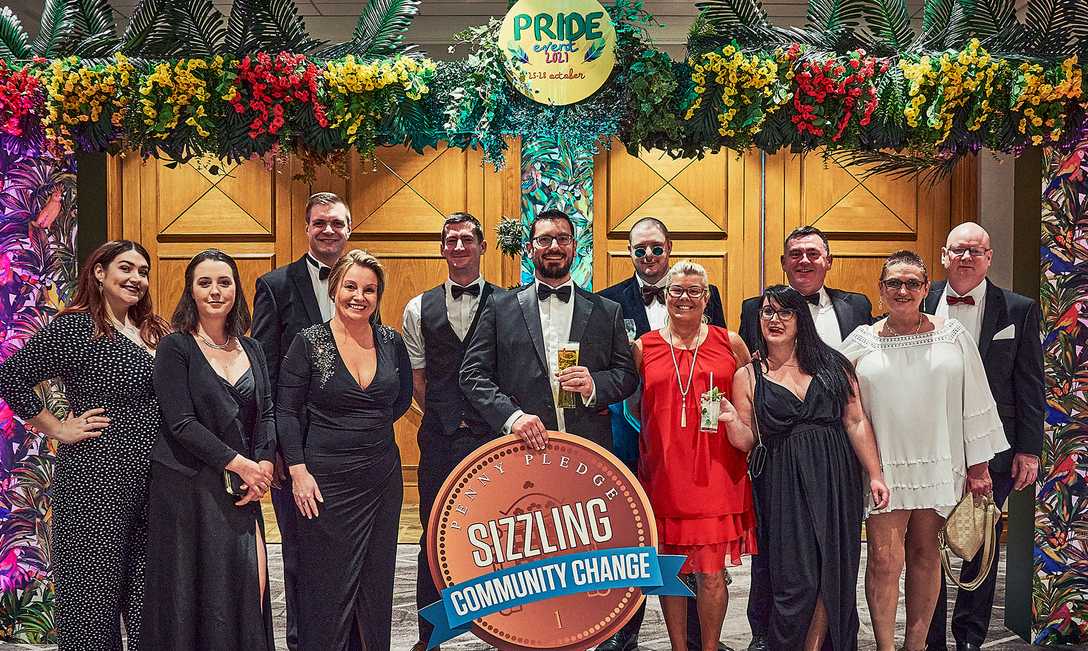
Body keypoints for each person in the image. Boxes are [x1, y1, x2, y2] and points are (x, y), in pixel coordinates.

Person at [0, 240, 170, 650]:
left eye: (143, 272)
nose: (137, 278)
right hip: (95, 481)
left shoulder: (152, 329)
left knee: (151, 605)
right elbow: (11, 376)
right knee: (91, 608)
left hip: (155, 483)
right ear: (99, 272)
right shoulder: (76, 326)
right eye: (126, 268)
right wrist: (57, 428)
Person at [839, 250, 1010, 651]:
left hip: (940, 462)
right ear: (881, 290)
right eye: (894, 283)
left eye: (913, 283)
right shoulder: (861, 341)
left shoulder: (953, 335)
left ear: (924, 288)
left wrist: (979, 466)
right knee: (884, 560)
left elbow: (976, 400)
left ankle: (915, 645)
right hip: (885, 469)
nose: (903, 290)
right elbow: (837, 400)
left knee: (925, 554)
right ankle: (885, 645)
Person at [726, 284, 889, 651]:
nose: (775, 319)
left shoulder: (834, 364)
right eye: (768, 312)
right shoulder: (747, 376)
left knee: (834, 567)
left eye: (785, 312)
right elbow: (748, 440)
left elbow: (855, 420)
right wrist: (728, 420)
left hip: (835, 476)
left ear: (801, 319)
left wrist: (875, 474)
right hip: (781, 481)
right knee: (795, 577)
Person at [597, 217, 726, 651]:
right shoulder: (609, 302)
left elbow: (722, 372)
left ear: (669, 248)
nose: (648, 257)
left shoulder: (712, 305)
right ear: (629, 253)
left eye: (655, 248)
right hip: (636, 446)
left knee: (701, 558)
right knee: (635, 544)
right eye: (639, 250)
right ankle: (624, 632)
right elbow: (618, 380)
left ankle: (698, 638)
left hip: (702, 453)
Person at [276, 249, 412, 651]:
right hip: (323, 482)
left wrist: (365, 428)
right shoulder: (309, 342)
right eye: (351, 286)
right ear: (334, 288)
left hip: (381, 481)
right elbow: (285, 411)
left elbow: (400, 399)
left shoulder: (391, 341)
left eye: (369, 289)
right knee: (326, 586)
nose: (359, 296)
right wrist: (298, 471)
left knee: (375, 584)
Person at [144, 249, 276, 650]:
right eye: (205, 283)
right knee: (193, 594)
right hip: (188, 488)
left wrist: (264, 466)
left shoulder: (252, 349)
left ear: (236, 289)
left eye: (224, 282)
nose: (216, 291)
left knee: (250, 583)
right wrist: (242, 465)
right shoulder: (176, 348)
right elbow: (181, 423)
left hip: (242, 489)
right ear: (191, 291)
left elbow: (267, 412)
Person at [924, 223, 1044, 651]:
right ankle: (929, 636)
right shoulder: (918, 297)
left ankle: (970, 638)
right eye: (959, 249)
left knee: (982, 545)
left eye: (976, 250)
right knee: (926, 545)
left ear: (989, 258)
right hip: (930, 445)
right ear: (943, 255)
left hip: (995, 448)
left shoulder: (1018, 309)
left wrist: (1029, 448)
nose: (967, 257)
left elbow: (1031, 382)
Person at [633, 260, 755, 651]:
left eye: (694, 291)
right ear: (665, 296)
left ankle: (709, 646)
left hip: (716, 475)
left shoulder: (730, 343)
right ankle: (678, 647)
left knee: (711, 574)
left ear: (707, 298)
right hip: (665, 474)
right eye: (676, 291)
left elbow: (749, 399)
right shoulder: (643, 347)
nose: (684, 298)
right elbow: (633, 407)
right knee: (670, 571)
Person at [251, 191, 351, 650]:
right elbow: (263, 370)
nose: (328, 230)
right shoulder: (276, 285)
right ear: (306, 228)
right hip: (297, 443)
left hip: (350, 445)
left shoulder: (362, 282)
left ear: (348, 230)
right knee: (297, 547)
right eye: (319, 223)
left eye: (336, 223)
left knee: (344, 546)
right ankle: (301, 640)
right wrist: (272, 444)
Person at [460, 208, 638, 452]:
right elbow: (472, 375)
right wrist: (513, 418)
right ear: (530, 249)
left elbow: (627, 376)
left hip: (589, 449)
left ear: (574, 247)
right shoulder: (499, 307)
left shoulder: (608, 311)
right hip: (521, 447)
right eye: (544, 239)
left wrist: (595, 384)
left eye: (563, 238)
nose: (554, 246)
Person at [403, 213, 498, 651]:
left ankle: (506, 628)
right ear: (442, 249)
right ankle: (430, 636)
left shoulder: (506, 303)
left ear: (482, 246)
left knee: (496, 535)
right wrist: (447, 415)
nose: (458, 247)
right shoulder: (417, 307)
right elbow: (418, 379)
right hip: (440, 438)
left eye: (466, 239)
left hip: (492, 441)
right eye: (450, 240)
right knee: (433, 534)